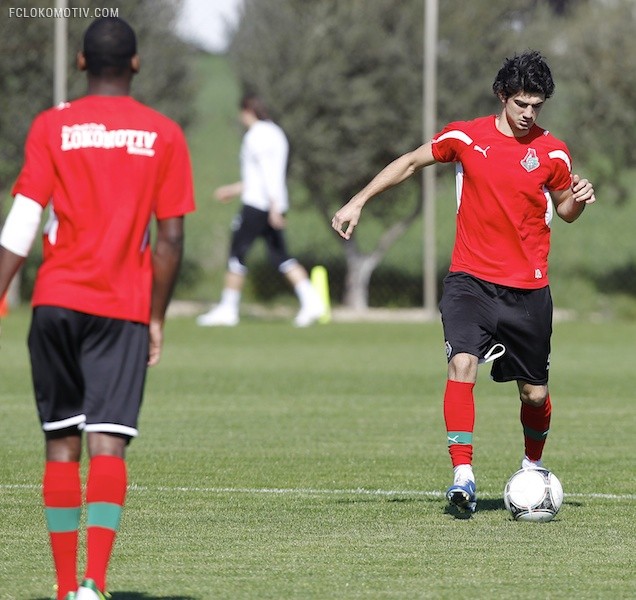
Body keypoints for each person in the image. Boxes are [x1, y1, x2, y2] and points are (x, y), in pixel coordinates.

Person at [331, 50, 596, 514]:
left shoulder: (553, 151)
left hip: (528, 289)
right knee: (462, 365)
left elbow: (566, 212)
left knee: (534, 393)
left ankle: (533, 466)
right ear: (502, 96)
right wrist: (358, 200)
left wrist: (579, 199)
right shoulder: (465, 137)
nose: (529, 115)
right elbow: (411, 163)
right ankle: (463, 477)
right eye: (521, 104)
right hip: (470, 280)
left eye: (537, 106)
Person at [0, 17, 195, 599]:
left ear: (80, 63)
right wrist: (156, 315)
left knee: (60, 442)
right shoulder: (163, 133)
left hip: (55, 302)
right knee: (106, 441)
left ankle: (62, 589)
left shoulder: (51, 127)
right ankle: (94, 585)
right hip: (122, 308)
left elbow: (23, 221)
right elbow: (171, 240)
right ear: (135, 64)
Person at [196, 94, 324, 328]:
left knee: (237, 253)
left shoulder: (256, 136)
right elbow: (264, 175)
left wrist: (272, 206)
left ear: (247, 112)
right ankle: (312, 302)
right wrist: (236, 190)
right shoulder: (276, 132)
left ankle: (228, 308)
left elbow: (267, 174)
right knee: (280, 256)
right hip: (272, 201)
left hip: (259, 204)